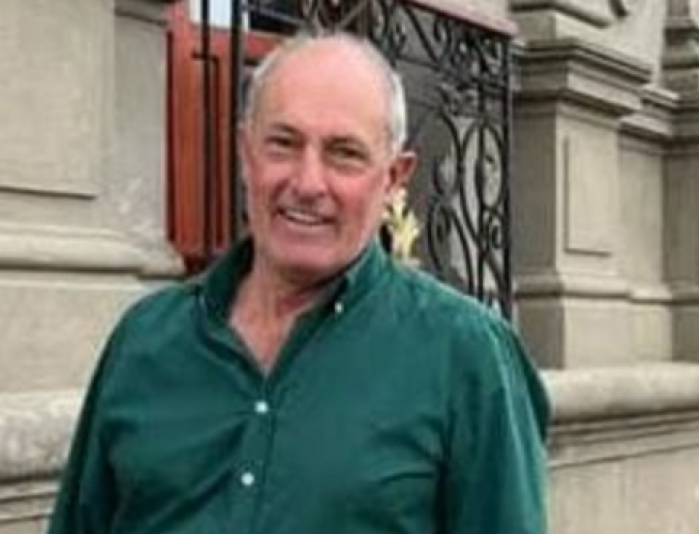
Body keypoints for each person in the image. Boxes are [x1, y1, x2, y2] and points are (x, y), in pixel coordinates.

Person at [47, 31, 549, 534]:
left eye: (344, 153)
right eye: (283, 144)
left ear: (394, 177)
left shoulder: (467, 356)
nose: (308, 183)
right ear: (246, 153)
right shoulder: (146, 340)